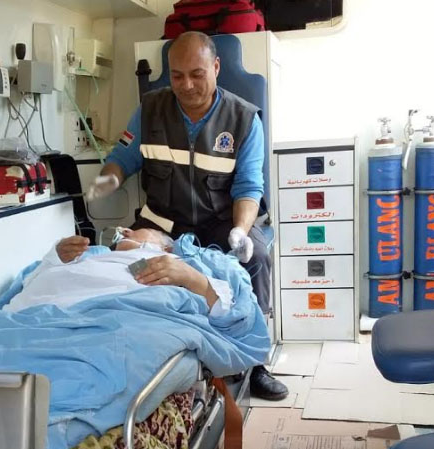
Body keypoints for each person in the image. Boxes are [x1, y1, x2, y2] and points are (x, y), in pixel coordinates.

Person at [84, 31, 287, 400]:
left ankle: (256, 362)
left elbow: (248, 187)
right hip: (162, 222)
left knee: (256, 257)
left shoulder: (244, 120)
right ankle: (140, 352)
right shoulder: (150, 110)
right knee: (124, 257)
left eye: (197, 74)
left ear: (216, 67)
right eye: (177, 76)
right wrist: (106, 181)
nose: (187, 85)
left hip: (221, 222)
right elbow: (122, 159)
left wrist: (241, 231)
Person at [3, 229, 231, 316]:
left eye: (138, 230)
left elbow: (227, 311)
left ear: (165, 247)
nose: (126, 231)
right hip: (25, 315)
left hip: (96, 318)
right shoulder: (94, 256)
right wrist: (55, 258)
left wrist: (191, 277)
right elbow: (29, 284)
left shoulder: (176, 263)